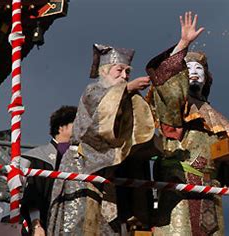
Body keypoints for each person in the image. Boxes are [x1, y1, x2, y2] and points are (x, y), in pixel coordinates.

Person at [146, 12, 229, 235]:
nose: (195, 73)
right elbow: (167, 86)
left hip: (210, 192)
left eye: (200, 69)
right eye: (189, 68)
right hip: (177, 190)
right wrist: (183, 44)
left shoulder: (213, 116)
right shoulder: (174, 106)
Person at [47, 43, 156, 235]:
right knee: (77, 220)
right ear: (104, 72)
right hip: (80, 163)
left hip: (108, 168)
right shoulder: (93, 91)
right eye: (119, 70)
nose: (124, 76)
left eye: (127, 72)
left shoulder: (127, 98)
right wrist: (128, 88)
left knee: (106, 225)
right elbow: (103, 107)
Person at [21, 105, 77, 235]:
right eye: (75, 123)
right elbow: (32, 195)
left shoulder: (80, 157)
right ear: (61, 127)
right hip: (44, 223)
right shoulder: (38, 158)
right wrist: (36, 223)